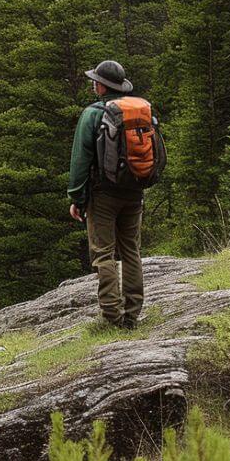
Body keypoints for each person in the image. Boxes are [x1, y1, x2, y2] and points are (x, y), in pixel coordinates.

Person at [67, 60, 144, 329]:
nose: (93, 84)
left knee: (104, 254)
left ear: (101, 86)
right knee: (131, 251)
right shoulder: (138, 110)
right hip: (134, 192)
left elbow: (80, 160)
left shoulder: (93, 114)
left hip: (103, 195)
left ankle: (112, 317)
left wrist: (76, 198)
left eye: (95, 81)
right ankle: (132, 314)